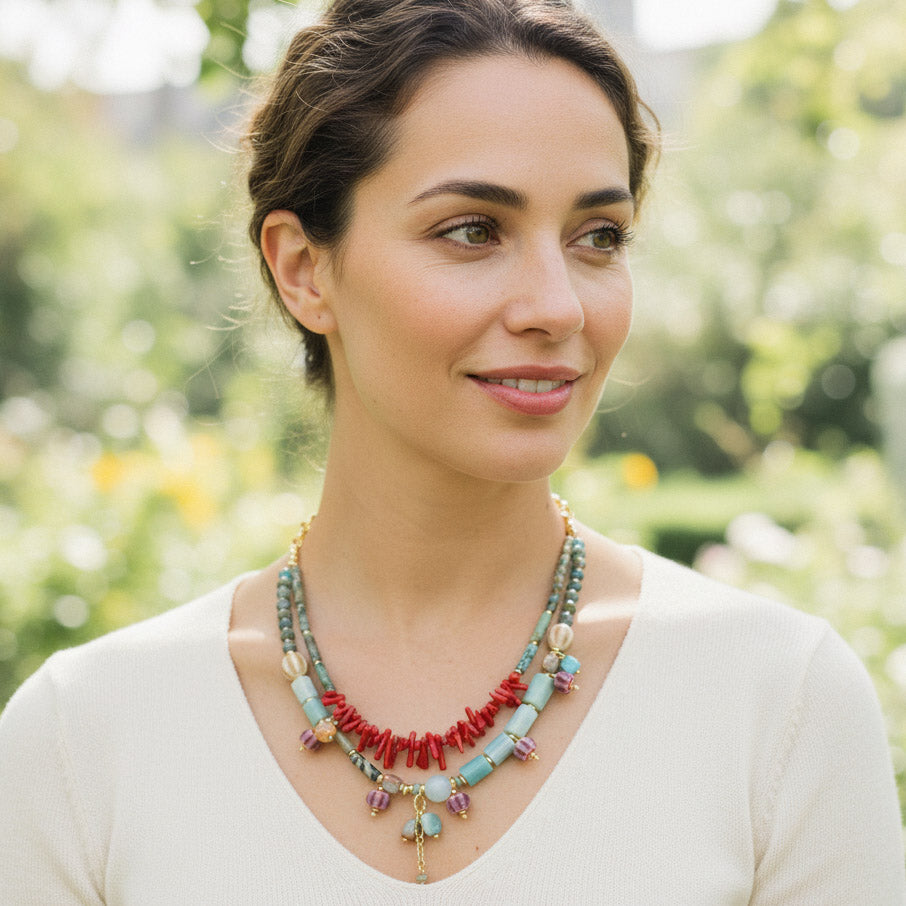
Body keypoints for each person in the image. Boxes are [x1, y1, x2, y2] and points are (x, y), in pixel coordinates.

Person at [1, 0, 903, 901]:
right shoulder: (85, 740)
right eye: (473, 230)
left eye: (599, 238)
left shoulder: (778, 704)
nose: (558, 306)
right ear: (304, 269)